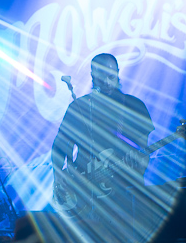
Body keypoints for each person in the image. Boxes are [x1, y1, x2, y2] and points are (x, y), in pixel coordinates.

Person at [52, 54, 154, 203]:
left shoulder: (135, 106)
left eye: (111, 77)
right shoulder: (79, 107)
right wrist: (58, 174)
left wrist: (139, 164)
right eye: (101, 77)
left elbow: (144, 150)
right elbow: (61, 144)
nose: (106, 82)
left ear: (118, 72)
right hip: (84, 191)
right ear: (92, 75)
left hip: (126, 190)